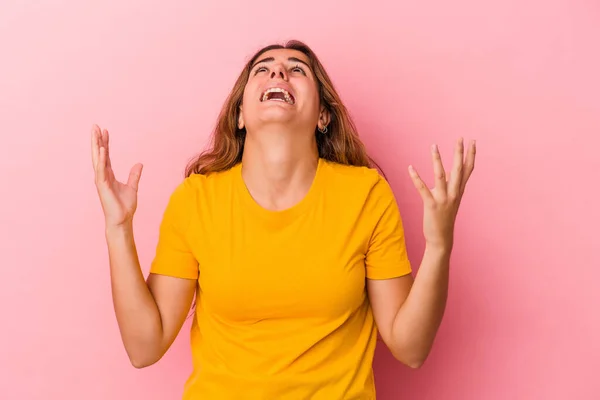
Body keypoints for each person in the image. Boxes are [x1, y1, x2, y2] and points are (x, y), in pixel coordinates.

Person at [91, 40, 476, 399]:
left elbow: (410, 348)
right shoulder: (196, 199)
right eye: (262, 69)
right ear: (240, 114)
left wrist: (440, 245)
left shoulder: (366, 196)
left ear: (323, 115)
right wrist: (118, 229)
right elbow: (144, 347)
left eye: (297, 69)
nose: (278, 73)